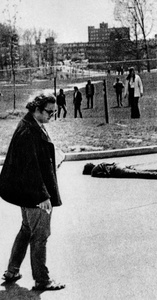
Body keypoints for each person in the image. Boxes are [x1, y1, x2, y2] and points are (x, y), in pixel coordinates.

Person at [0, 92, 65, 291]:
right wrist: (42, 196)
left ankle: (12, 270)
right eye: (49, 112)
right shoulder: (29, 131)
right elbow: (31, 168)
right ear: (36, 108)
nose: (51, 116)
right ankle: (42, 279)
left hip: (27, 191)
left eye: (54, 113)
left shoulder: (31, 124)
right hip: (34, 193)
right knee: (40, 235)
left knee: (27, 229)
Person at [82, 162, 157, 179]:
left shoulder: (93, 172)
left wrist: (108, 174)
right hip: (119, 164)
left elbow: (104, 175)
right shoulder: (100, 164)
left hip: (117, 170)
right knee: (141, 170)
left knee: (138, 174)